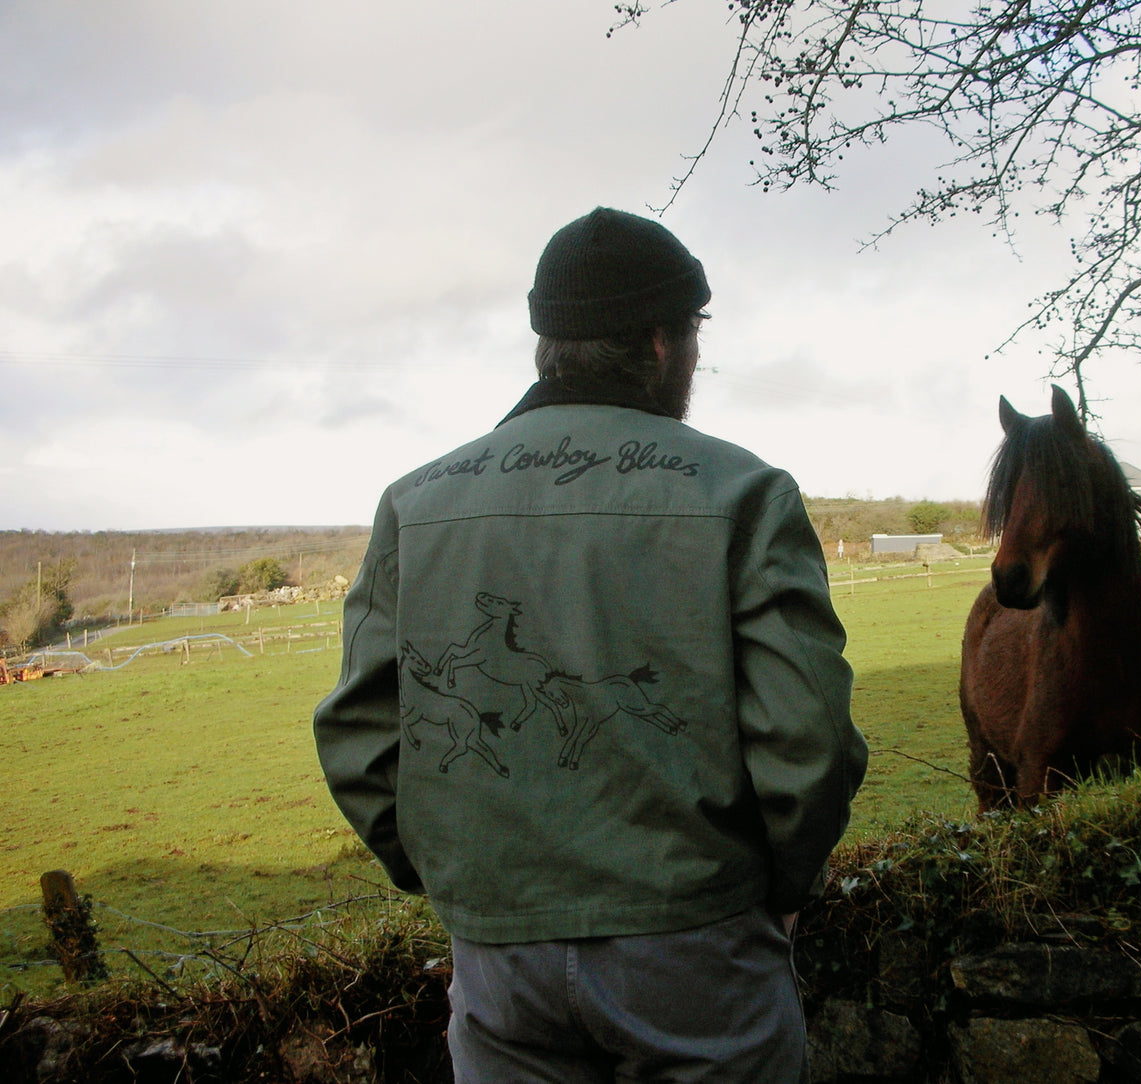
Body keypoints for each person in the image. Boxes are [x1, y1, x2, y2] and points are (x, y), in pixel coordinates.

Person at [313, 206, 868, 1082]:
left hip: (497, 957)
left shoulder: (414, 504)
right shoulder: (744, 492)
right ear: (661, 342)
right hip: (698, 943)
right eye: (693, 337)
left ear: (551, 344)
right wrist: (782, 888)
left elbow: (357, 732)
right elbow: (808, 738)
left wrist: (462, 887)